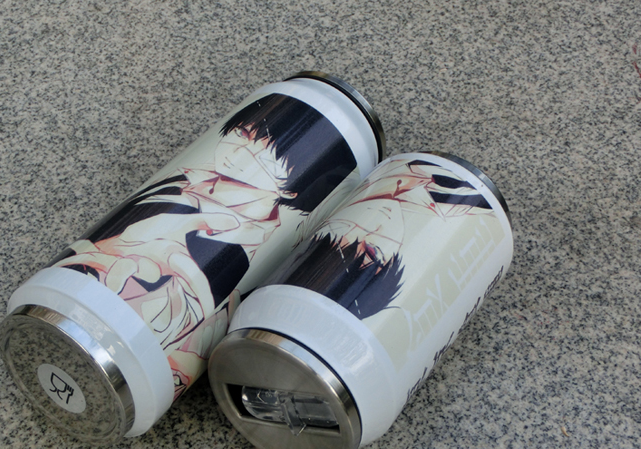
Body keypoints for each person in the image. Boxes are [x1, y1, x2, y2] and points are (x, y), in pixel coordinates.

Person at [51, 94, 358, 398]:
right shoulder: (187, 183)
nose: (241, 150)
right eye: (243, 134)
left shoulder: (240, 246)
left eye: (265, 155)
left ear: (292, 190)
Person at [274, 158, 495, 320]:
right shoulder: (465, 204)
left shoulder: (320, 185)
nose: (367, 231)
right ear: (393, 257)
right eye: (372, 252)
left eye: (339, 239)